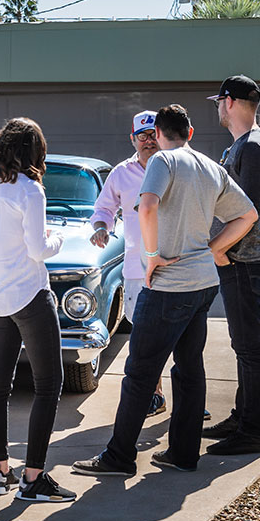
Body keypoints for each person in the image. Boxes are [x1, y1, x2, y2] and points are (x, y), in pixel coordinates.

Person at [72, 104, 257, 477]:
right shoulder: (209, 167)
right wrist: (212, 250)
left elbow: (147, 207)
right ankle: (183, 454)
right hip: (204, 283)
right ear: (190, 133)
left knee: (140, 372)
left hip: (168, 285)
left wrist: (153, 256)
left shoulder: (162, 162)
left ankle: (119, 457)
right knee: (190, 370)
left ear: (158, 135)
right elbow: (248, 214)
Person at [0, 117, 77, 503]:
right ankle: (33, 479)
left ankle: (1, 473)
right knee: (49, 385)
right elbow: (39, 249)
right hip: (31, 296)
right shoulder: (31, 191)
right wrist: (59, 238)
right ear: (34, 151)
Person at [202, 75, 260, 456]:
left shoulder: (252, 148)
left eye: (219, 100)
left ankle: (252, 433)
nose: (217, 107)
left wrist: (217, 249)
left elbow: (246, 213)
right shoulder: (245, 145)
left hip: (242, 258)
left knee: (249, 347)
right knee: (243, 344)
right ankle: (241, 416)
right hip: (239, 257)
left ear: (229, 102)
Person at [90, 110, 168, 415]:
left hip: (175, 264)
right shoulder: (122, 173)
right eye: (142, 136)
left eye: (153, 135)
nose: (148, 141)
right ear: (132, 139)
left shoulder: (176, 167)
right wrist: (100, 228)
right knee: (144, 335)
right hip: (138, 269)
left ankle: (190, 395)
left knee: (181, 335)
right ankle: (155, 393)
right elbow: (104, 207)